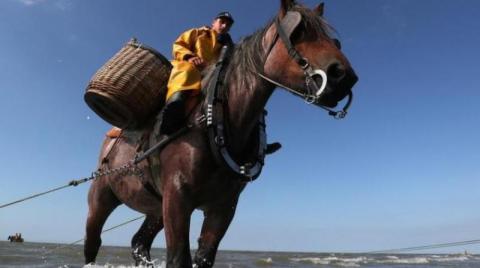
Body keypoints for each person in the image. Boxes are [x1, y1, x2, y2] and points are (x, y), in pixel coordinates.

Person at [160, 11, 235, 134]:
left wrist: (229, 47)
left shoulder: (227, 46)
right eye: (222, 22)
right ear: (213, 22)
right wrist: (189, 57)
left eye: (228, 25)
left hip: (212, 76)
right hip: (188, 66)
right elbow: (179, 45)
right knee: (188, 70)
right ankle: (174, 109)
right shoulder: (198, 32)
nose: (224, 26)